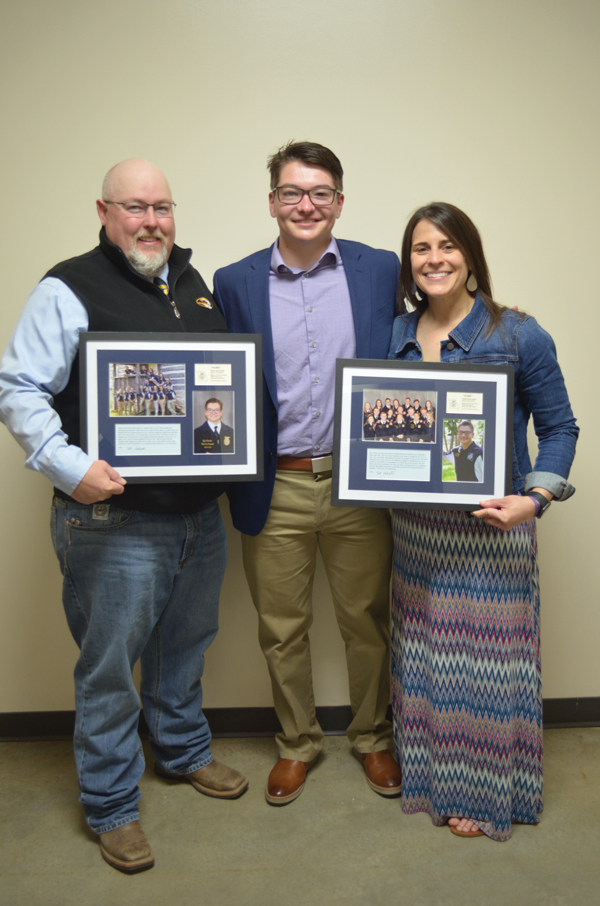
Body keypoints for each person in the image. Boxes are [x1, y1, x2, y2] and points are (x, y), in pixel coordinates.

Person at [0, 159, 248, 874]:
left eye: (163, 207)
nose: (151, 221)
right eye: (135, 207)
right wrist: (69, 469)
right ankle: (111, 805)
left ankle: (182, 752)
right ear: (104, 212)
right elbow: (18, 386)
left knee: (185, 645)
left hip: (198, 518)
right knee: (109, 669)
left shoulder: (193, 287)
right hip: (114, 522)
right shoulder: (68, 286)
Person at [213, 141, 402, 805]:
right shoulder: (233, 281)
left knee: (367, 621)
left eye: (321, 193)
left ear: (339, 203)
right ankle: (297, 743)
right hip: (276, 484)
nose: (306, 205)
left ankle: (372, 738)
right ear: (272, 202)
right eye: (292, 192)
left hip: (358, 483)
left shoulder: (381, 269)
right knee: (281, 629)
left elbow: (417, 345)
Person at [387, 202, 578, 840]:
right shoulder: (397, 334)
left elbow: (559, 428)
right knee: (431, 662)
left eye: (446, 246)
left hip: (492, 528)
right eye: (420, 248)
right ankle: (438, 782)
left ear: (468, 254)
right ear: (408, 261)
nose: (433, 259)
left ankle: (486, 793)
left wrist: (535, 499)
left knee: (486, 667)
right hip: (416, 534)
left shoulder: (519, 333)